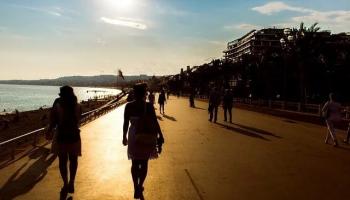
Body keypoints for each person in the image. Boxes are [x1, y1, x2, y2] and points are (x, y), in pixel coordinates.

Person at [123, 83, 165, 199]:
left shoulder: (129, 106)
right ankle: (140, 185)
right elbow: (155, 123)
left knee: (134, 163)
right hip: (147, 135)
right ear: (145, 93)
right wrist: (160, 135)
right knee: (144, 163)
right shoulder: (149, 106)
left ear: (134, 93)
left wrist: (124, 137)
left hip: (134, 137)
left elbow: (126, 123)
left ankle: (135, 186)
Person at [46, 86, 82, 195]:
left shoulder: (58, 106)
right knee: (73, 160)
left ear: (62, 96)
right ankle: (72, 182)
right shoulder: (78, 106)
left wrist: (48, 131)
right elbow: (78, 120)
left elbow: (53, 123)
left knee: (62, 162)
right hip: (74, 136)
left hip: (61, 137)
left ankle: (65, 183)